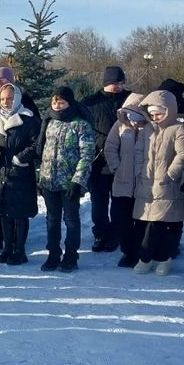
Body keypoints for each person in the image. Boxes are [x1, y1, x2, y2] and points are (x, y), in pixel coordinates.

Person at [132, 90, 184, 276]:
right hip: (146, 182)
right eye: (152, 114)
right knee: (147, 223)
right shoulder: (147, 130)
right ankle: (158, 257)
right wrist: (140, 171)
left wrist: (170, 174)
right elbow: (139, 151)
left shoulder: (179, 129)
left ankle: (151, 258)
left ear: (168, 111)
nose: (155, 117)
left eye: (158, 113)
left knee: (159, 223)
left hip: (167, 184)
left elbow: (183, 154)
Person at [37, 86, 95, 272]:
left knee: (71, 219)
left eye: (61, 102)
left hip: (70, 182)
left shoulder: (81, 125)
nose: (57, 105)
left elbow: (87, 155)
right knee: (52, 219)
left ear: (70, 103)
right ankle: (53, 253)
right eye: (54, 102)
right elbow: (44, 151)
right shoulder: (49, 122)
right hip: (49, 181)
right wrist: (41, 178)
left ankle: (71, 255)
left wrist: (78, 181)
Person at [0, 82, 40, 265]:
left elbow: (36, 144)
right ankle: (7, 248)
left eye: (10, 98)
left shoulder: (28, 120)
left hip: (20, 174)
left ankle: (19, 250)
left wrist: (19, 159)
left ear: (17, 99)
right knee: (4, 213)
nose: (6, 102)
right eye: (3, 98)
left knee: (19, 214)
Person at [81, 66, 131, 252]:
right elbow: (84, 128)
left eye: (121, 82)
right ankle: (100, 234)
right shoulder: (91, 102)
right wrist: (102, 142)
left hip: (123, 159)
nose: (118, 86)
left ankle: (116, 235)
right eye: (114, 83)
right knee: (99, 202)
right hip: (99, 161)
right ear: (106, 82)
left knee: (119, 202)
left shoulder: (130, 99)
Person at [104, 93, 148, 268]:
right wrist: (117, 167)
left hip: (143, 183)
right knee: (122, 220)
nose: (134, 122)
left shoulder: (150, 129)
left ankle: (142, 252)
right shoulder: (120, 126)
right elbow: (110, 148)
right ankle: (128, 252)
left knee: (142, 221)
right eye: (130, 117)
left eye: (137, 118)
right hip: (122, 182)